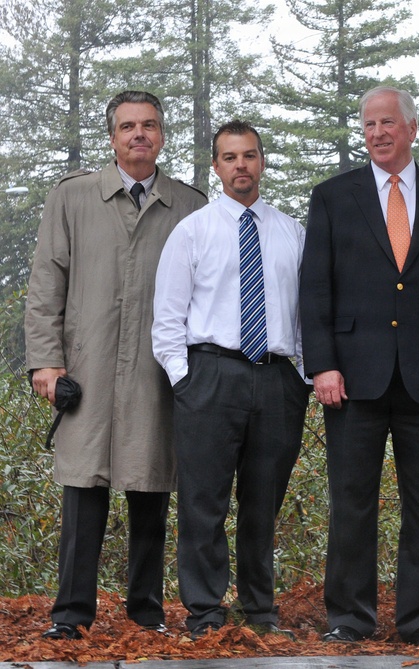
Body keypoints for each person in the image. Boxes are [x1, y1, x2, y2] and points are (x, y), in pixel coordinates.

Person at [299, 85, 419, 646]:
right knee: (352, 503)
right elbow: (315, 289)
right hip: (352, 378)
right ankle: (349, 619)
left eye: (387, 123)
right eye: (368, 126)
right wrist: (322, 365)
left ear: (410, 128)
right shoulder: (333, 197)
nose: (377, 133)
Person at [24, 90, 207, 640]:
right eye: (127, 126)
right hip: (88, 368)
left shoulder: (190, 205)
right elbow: (45, 285)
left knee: (150, 488)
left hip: (158, 372)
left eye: (149, 125)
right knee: (82, 492)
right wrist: (45, 364)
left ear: (162, 134)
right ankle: (70, 615)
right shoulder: (73, 197)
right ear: (112, 136)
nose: (139, 135)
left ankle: (146, 614)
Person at [151, 120, 309, 640]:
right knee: (204, 500)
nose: (241, 165)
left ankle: (260, 610)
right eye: (230, 157)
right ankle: (205, 613)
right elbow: (168, 317)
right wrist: (185, 380)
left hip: (277, 381)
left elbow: (307, 314)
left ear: (262, 162)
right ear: (216, 167)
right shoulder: (192, 231)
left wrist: (302, 377)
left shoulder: (292, 233)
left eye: (250, 155)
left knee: (263, 500)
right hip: (210, 376)